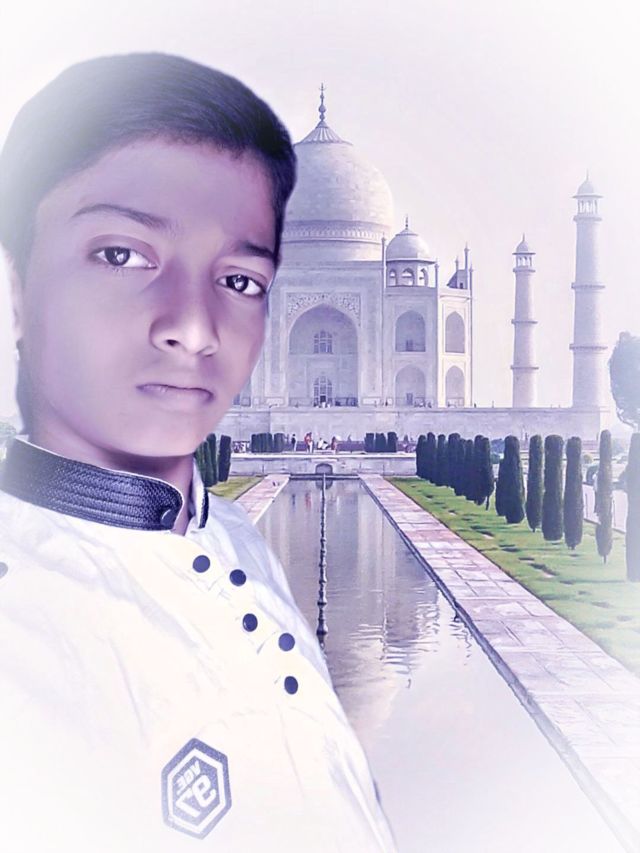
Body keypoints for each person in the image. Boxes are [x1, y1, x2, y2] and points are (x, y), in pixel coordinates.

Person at [0, 53, 396, 852]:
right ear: (14, 284)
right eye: (122, 255)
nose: (192, 326)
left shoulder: (240, 543)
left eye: (240, 280)